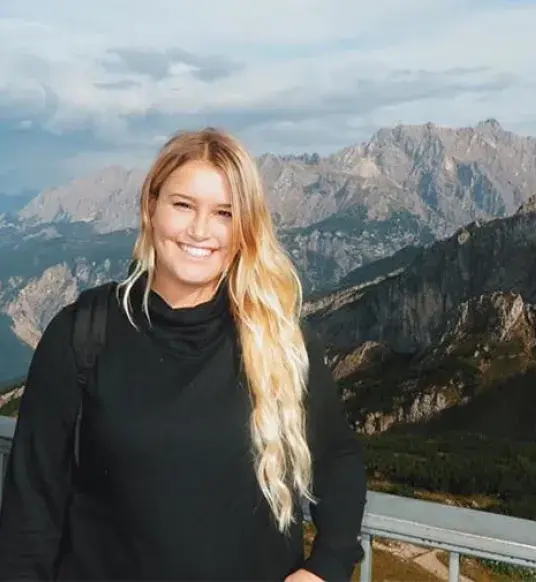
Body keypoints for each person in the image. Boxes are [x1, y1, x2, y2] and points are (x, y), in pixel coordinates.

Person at [0, 128, 367, 581]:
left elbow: (337, 457)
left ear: (244, 228)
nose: (200, 230)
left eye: (224, 213)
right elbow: (31, 506)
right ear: (151, 207)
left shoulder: (279, 338)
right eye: (183, 205)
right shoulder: (81, 333)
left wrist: (326, 566)